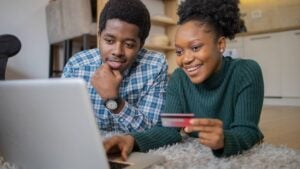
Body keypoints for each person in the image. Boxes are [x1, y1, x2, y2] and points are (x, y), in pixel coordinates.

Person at [104, 0, 264, 159]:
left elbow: (247, 130)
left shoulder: (245, 72)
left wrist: (225, 139)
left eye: (195, 48)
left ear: (220, 44)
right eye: (179, 52)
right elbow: (168, 129)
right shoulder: (180, 79)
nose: (185, 59)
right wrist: (131, 139)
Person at [62, 0, 168, 133]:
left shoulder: (155, 66)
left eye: (129, 44)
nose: (117, 51)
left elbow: (153, 131)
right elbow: (64, 121)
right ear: (99, 35)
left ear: (140, 45)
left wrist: (114, 101)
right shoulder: (77, 66)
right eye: (109, 41)